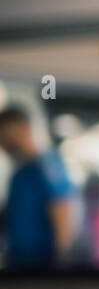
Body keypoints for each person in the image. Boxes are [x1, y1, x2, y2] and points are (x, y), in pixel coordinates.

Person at [0, 105, 76, 269]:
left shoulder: (48, 165)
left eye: (5, 135)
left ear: (23, 128)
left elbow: (61, 212)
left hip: (41, 266)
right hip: (18, 261)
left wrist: (59, 261)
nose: (3, 143)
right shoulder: (20, 173)